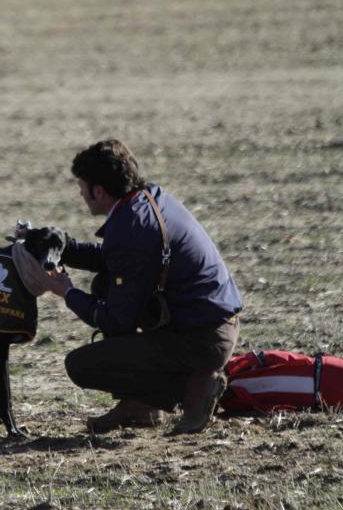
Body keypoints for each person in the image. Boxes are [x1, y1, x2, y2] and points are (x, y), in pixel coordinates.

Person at [44, 139, 243, 434]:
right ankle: (141, 405)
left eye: (81, 186)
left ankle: (196, 387)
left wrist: (68, 293)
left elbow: (116, 319)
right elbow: (120, 260)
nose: (80, 193)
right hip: (211, 326)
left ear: (98, 190)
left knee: (82, 365)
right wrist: (66, 247)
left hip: (202, 339)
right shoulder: (146, 200)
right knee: (106, 285)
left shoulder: (132, 226)